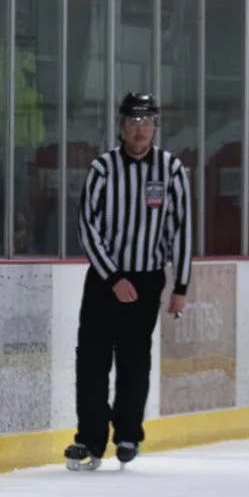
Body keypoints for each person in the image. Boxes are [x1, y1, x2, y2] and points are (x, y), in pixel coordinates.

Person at [66, 92, 192, 470]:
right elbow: (87, 226)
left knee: (135, 359)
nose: (140, 130)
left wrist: (181, 285)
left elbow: (181, 229)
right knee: (92, 360)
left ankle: (127, 433)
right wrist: (113, 276)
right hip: (105, 280)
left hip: (147, 280)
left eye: (147, 122)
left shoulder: (171, 170)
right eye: (134, 122)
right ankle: (90, 438)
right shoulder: (103, 168)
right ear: (122, 125)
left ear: (156, 126)